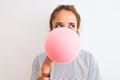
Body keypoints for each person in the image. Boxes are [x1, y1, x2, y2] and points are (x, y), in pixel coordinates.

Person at [31, 5, 102, 80]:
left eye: (71, 25)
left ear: (77, 31)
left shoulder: (88, 59)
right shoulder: (39, 60)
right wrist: (46, 66)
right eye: (59, 25)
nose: (65, 31)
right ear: (51, 30)